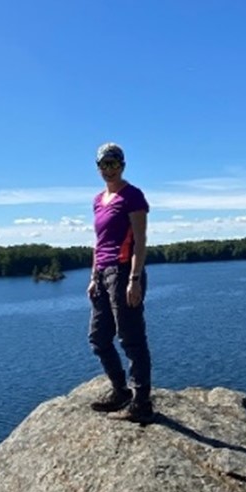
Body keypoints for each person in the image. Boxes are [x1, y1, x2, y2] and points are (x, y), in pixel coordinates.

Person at [87, 141, 153, 423]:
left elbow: (140, 241)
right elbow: (98, 243)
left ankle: (141, 404)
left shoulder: (133, 196)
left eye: (113, 164)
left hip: (125, 272)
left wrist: (134, 280)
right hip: (102, 274)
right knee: (99, 338)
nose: (108, 170)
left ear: (122, 165)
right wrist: (93, 277)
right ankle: (120, 390)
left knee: (131, 339)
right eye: (103, 165)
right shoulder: (97, 200)